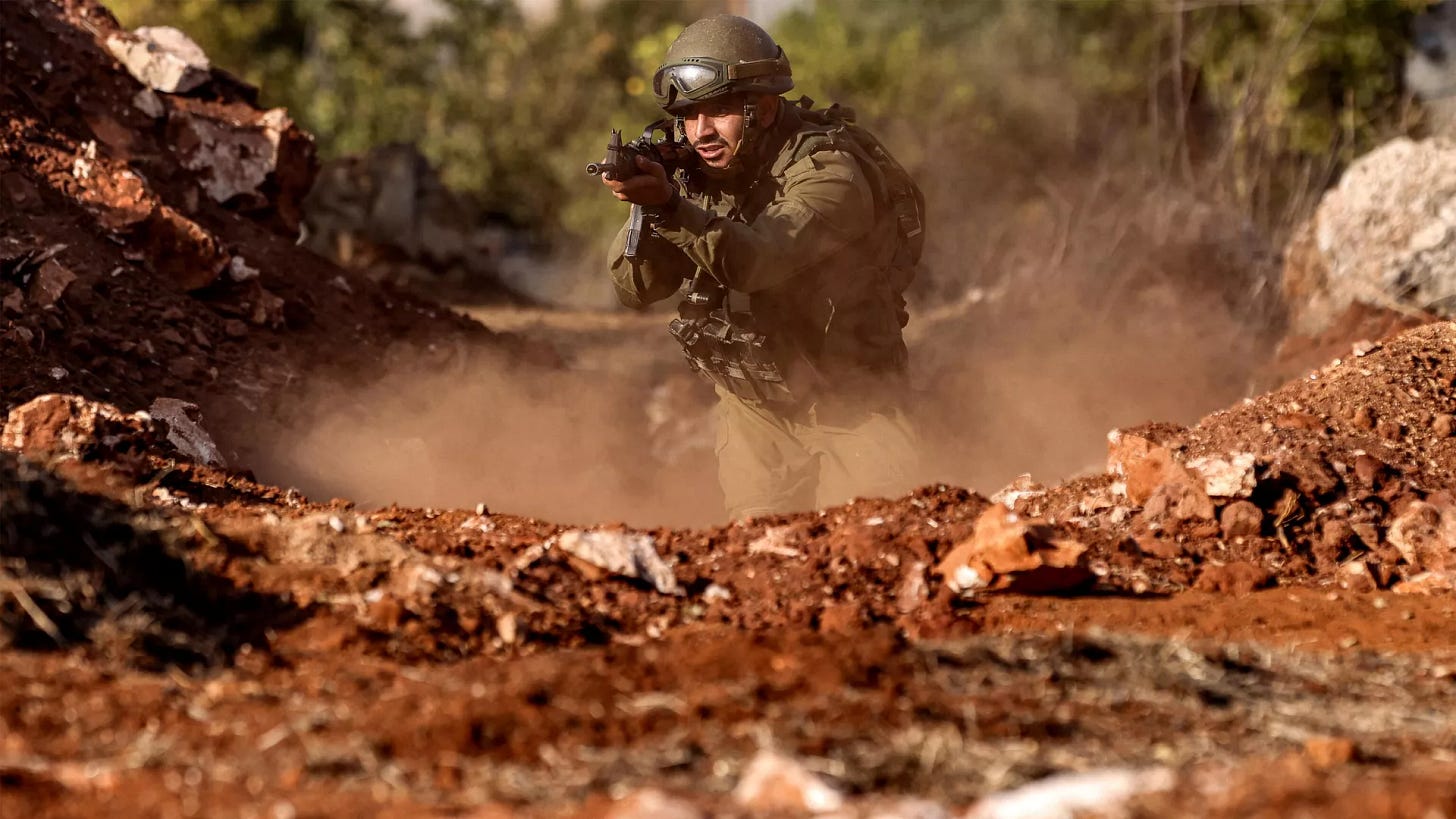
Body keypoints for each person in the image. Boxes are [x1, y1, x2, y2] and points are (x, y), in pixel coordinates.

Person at [601, 14, 922, 520]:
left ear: (765, 109)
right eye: (688, 116)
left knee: (872, 548)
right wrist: (649, 203)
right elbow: (634, 288)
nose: (701, 131)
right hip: (756, 406)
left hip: (854, 401)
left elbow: (757, 263)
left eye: (720, 111)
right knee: (759, 557)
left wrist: (669, 207)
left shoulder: (830, 173)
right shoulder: (697, 172)